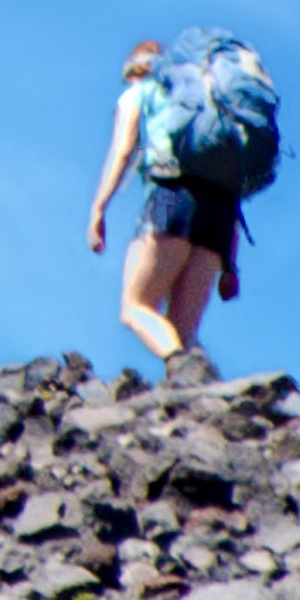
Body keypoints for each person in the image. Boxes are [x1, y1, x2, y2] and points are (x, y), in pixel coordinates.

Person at [85, 41, 243, 384]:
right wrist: (230, 265)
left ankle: (183, 370)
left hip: (171, 197)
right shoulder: (208, 106)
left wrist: (98, 209)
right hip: (219, 213)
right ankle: (206, 393)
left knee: (135, 307)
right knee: (183, 334)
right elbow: (229, 185)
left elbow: (123, 149)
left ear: (133, 71)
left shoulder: (138, 93)